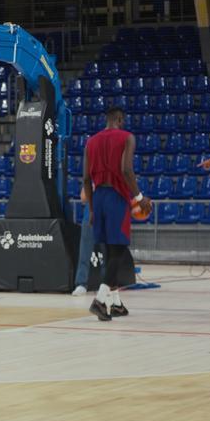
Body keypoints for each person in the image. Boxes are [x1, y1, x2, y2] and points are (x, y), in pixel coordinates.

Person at [83, 107, 151, 321]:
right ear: (120, 120)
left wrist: (93, 208)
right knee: (119, 249)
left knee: (109, 252)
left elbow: (85, 178)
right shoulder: (127, 137)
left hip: (99, 197)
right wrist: (140, 197)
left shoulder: (91, 141)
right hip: (116, 197)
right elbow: (125, 169)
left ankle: (116, 303)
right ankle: (100, 300)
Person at [71, 187, 105, 296]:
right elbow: (83, 198)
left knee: (106, 254)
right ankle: (81, 284)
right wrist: (93, 187)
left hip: (107, 217)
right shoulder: (91, 175)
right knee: (84, 253)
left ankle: (106, 285)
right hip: (89, 217)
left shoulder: (111, 176)